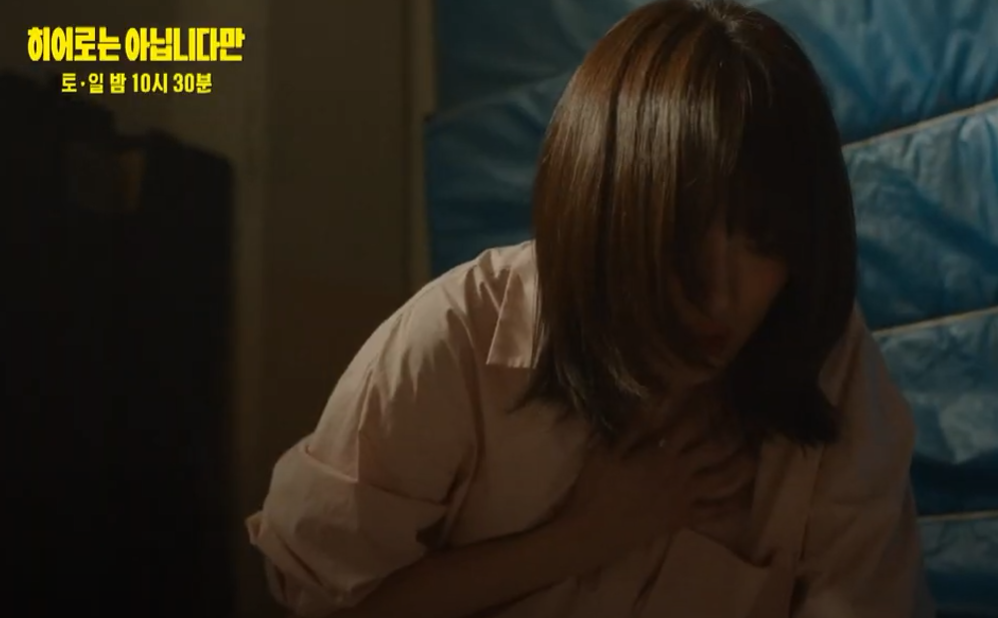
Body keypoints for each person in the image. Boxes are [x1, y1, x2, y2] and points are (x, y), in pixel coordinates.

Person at [246, 0, 933, 616]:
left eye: (765, 242)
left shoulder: (827, 364)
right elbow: (327, 601)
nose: (721, 295)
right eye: (681, 237)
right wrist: (582, 536)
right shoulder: (458, 339)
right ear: (604, 214)